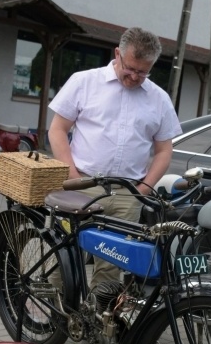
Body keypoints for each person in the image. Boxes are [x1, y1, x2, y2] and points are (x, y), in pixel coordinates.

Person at [48, 26, 182, 289]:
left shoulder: (159, 99)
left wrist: (143, 189)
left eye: (142, 72)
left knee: (112, 264)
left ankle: (98, 322)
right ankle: (51, 317)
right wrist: (72, 176)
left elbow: (164, 151)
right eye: (129, 67)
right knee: (65, 254)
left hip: (127, 192)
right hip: (82, 184)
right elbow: (57, 130)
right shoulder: (84, 82)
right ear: (117, 53)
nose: (133, 76)